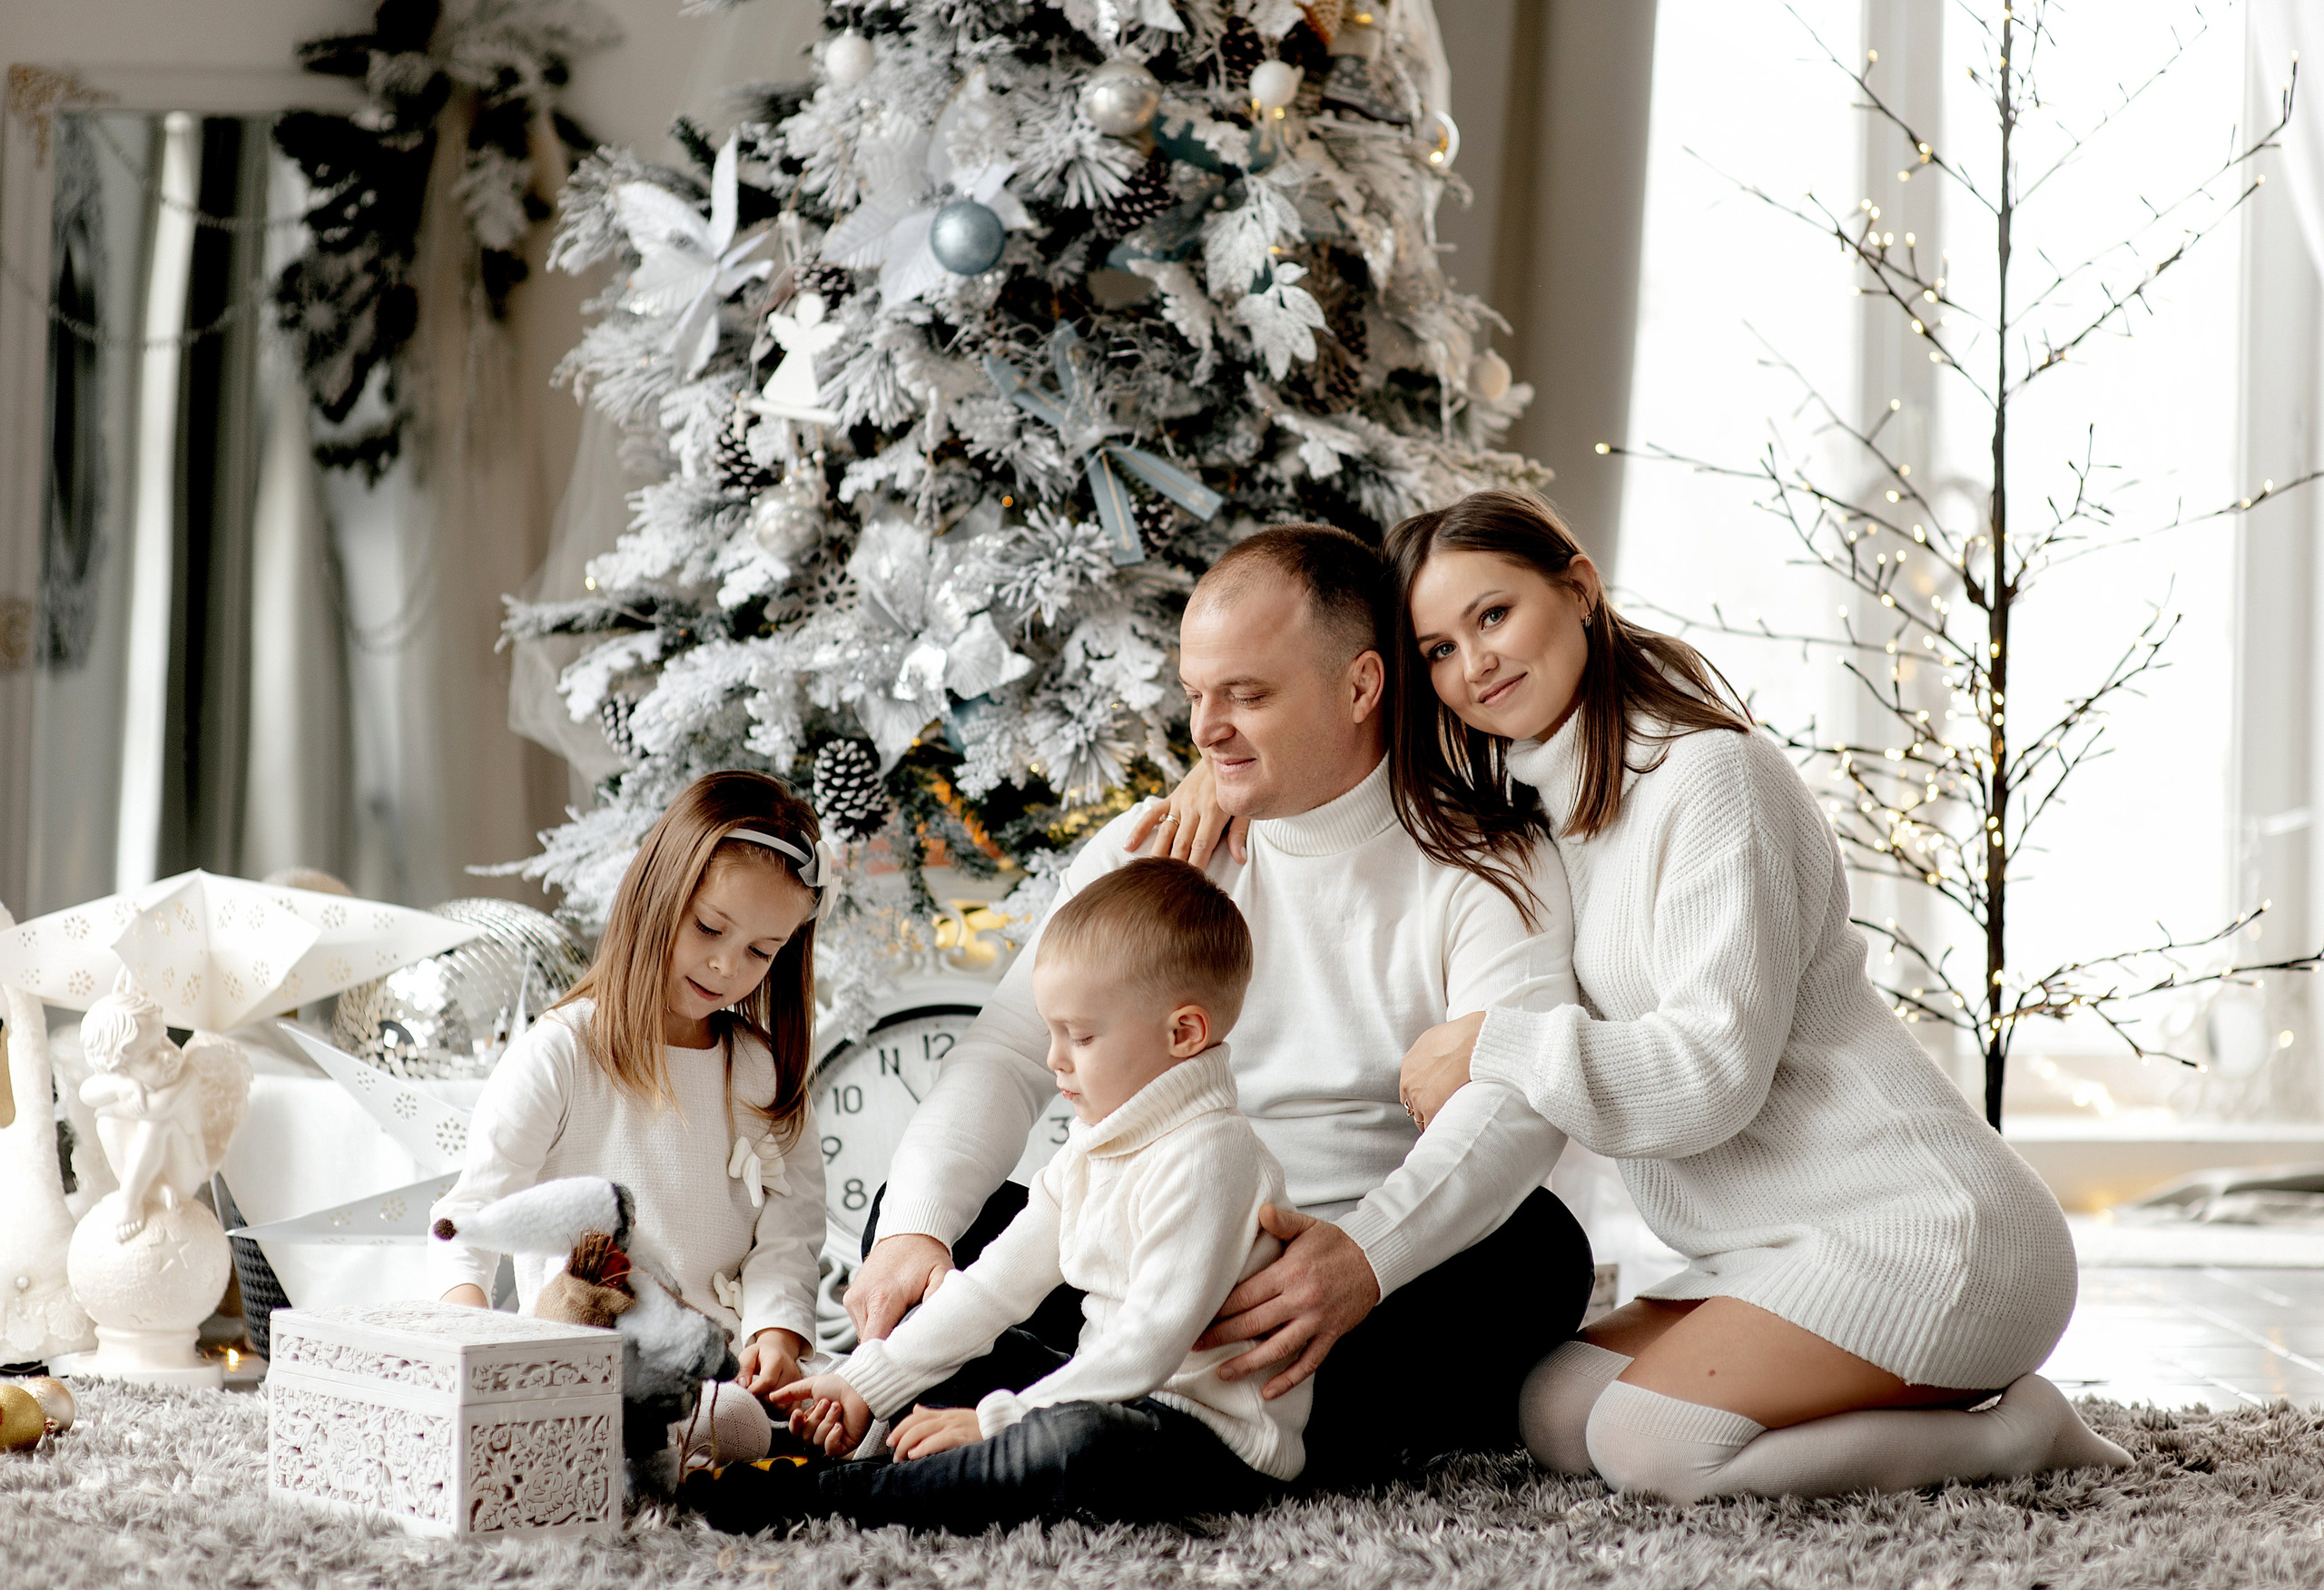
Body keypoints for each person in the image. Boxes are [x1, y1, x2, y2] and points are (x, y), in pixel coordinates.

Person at [1381, 488, 2129, 1501]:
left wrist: (1496, 1045)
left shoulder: (1712, 779)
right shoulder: (1549, 813)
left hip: (1931, 1231)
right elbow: (1352, 778)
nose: (1473, 665)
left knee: (1653, 1446)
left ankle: (2016, 1436)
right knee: (1558, 1413)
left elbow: (1710, 1078)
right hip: (1769, 1243)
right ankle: (1915, 1400)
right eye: (1436, 650)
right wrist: (1216, 770)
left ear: (1579, 590)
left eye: (1493, 615)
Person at [846, 524, 1595, 1483]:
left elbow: (1511, 1102)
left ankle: (1113, 1420)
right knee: (922, 1219)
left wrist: (1360, 1259)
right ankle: (1103, 1416)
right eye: (1197, 695)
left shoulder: (1485, 862)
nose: (1205, 730)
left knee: (1537, 1256)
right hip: (1133, 1267)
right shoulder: (1153, 846)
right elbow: (1004, 1051)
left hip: (1312, 1293)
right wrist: (917, 1228)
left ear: (1362, 686)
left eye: (1247, 695)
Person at [687, 859, 1305, 1534]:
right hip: (1102, 1388)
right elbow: (994, 1288)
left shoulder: (1212, 1155)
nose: (1055, 1060)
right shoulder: (1092, 1149)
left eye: (1082, 1036)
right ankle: (893, 1454)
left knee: (1070, 1441)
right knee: (956, 1315)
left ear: (1182, 1033)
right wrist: (866, 1379)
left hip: (1206, 1438)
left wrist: (993, 1419)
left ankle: (847, 1497)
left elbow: (1144, 1347)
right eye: (1052, 1032)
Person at [428, 770, 832, 1466]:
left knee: (794, 1419)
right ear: (657, 896)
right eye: (710, 926)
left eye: (761, 952)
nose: (726, 964)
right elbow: (472, 1216)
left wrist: (776, 1335)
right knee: (731, 1426)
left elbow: (788, 1236)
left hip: (717, 1364)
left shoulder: (761, 1070)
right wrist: (466, 1346)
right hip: (593, 1355)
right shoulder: (563, 1052)